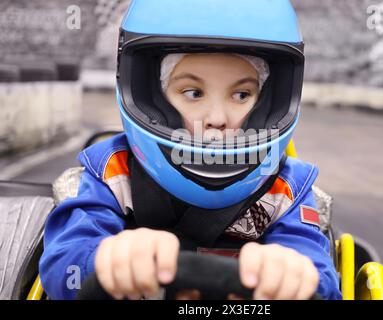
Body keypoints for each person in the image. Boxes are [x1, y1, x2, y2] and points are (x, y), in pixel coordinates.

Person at [39, 0, 342, 300]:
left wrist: (295, 278)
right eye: (194, 93)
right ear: (151, 96)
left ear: (265, 103)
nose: (217, 119)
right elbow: (63, 271)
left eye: (241, 94)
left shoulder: (286, 187)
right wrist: (105, 263)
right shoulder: (111, 172)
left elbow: (322, 280)